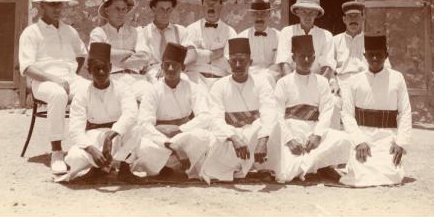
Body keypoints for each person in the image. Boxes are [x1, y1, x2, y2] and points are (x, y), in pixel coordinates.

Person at [18, 0, 88, 175]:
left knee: (93, 90)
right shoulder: (31, 33)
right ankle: (57, 152)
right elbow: (27, 67)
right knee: (58, 95)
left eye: (60, 4)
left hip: (69, 79)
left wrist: (72, 75)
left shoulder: (69, 31)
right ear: (42, 6)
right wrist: (55, 80)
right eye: (52, 4)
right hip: (43, 82)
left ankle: (88, 148)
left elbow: (81, 54)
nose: (57, 8)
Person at [54, 42, 140, 183]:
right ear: (89, 71)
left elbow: (131, 113)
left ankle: (125, 170)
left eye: (104, 68)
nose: (101, 73)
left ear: (111, 68)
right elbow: (75, 129)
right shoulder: (82, 94)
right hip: (93, 137)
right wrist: (91, 149)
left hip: (118, 136)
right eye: (96, 69)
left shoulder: (123, 88)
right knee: (74, 157)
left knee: (136, 130)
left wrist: (111, 135)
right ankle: (97, 169)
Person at [130, 42, 216, 181]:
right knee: (145, 146)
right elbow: (144, 123)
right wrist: (170, 143)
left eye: (175, 65)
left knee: (203, 137)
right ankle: (164, 169)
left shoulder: (192, 87)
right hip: (160, 135)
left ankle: (183, 169)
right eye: (166, 64)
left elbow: (205, 116)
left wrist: (180, 129)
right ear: (161, 66)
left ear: (182, 67)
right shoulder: (153, 90)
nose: (170, 69)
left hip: (183, 134)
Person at [270, 35, 350, 183]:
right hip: (291, 130)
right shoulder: (283, 82)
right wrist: (289, 140)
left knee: (346, 140)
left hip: (313, 131)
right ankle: (314, 165)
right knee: (285, 175)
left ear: (314, 58)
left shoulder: (322, 82)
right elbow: (277, 115)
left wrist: (317, 135)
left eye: (310, 57)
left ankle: (310, 165)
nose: (306, 60)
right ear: (293, 57)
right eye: (302, 56)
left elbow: (326, 111)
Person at [339, 34, 411, 187]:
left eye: (379, 54)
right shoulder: (354, 80)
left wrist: (401, 142)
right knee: (358, 174)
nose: (375, 59)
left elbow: (405, 112)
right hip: (363, 137)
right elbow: (347, 114)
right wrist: (358, 141)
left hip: (387, 138)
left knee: (392, 175)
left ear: (386, 55)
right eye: (371, 55)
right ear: (365, 56)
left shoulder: (397, 78)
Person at [202, 37, 278, 182]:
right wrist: (234, 137)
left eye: (242, 61)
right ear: (228, 63)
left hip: (255, 135)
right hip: (231, 138)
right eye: (233, 61)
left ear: (250, 62)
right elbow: (216, 118)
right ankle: (238, 169)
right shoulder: (219, 86)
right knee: (213, 161)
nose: (237, 65)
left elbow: (269, 111)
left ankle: (263, 167)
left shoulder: (262, 83)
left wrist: (262, 140)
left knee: (273, 125)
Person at [89, 0, 152, 101]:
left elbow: (145, 57)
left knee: (151, 95)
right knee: (124, 100)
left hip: (137, 78)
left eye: (124, 9)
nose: (121, 13)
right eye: (117, 9)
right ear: (107, 11)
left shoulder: (137, 31)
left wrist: (113, 59)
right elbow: (98, 57)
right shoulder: (99, 32)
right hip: (112, 79)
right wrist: (131, 52)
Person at [137, 0, 196, 80]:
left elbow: (192, 54)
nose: (165, 14)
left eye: (168, 10)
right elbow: (142, 58)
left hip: (176, 69)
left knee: (185, 81)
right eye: (161, 9)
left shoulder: (181, 31)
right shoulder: (143, 32)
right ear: (153, 9)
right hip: (153, 71)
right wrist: (162, 68)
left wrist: (178, 66)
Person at [185, 0, 237, 88]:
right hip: (196, 79)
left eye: (215, 4)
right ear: (202, 5)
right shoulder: (190, 30)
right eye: (208, 4)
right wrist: (218, 53)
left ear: (221, 6)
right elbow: (189, 59)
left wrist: (200, 54)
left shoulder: (230, 32)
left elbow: (230, 64)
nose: (211, 7)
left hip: (220, 80)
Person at [276, 0, 335, 80]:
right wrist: (291, 86)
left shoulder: (326, 35)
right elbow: (284, 62)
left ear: (316, 13)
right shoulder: (287, 32)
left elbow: (327, 65)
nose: (308, 16)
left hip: (317, 81)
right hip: (292, 80)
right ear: (297, 12)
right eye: (304, 11)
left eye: (312, 12)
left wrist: (319, 86)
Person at [226, 0, 280, 87]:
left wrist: (266, 76)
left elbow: (279, 64)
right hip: (247, 78)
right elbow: (232, 63)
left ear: (269, 14)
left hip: (271, 79)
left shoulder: (278, 36)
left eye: (263, 13)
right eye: (256, 14)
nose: (259, 18)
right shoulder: (241, 38)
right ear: (251, 15)